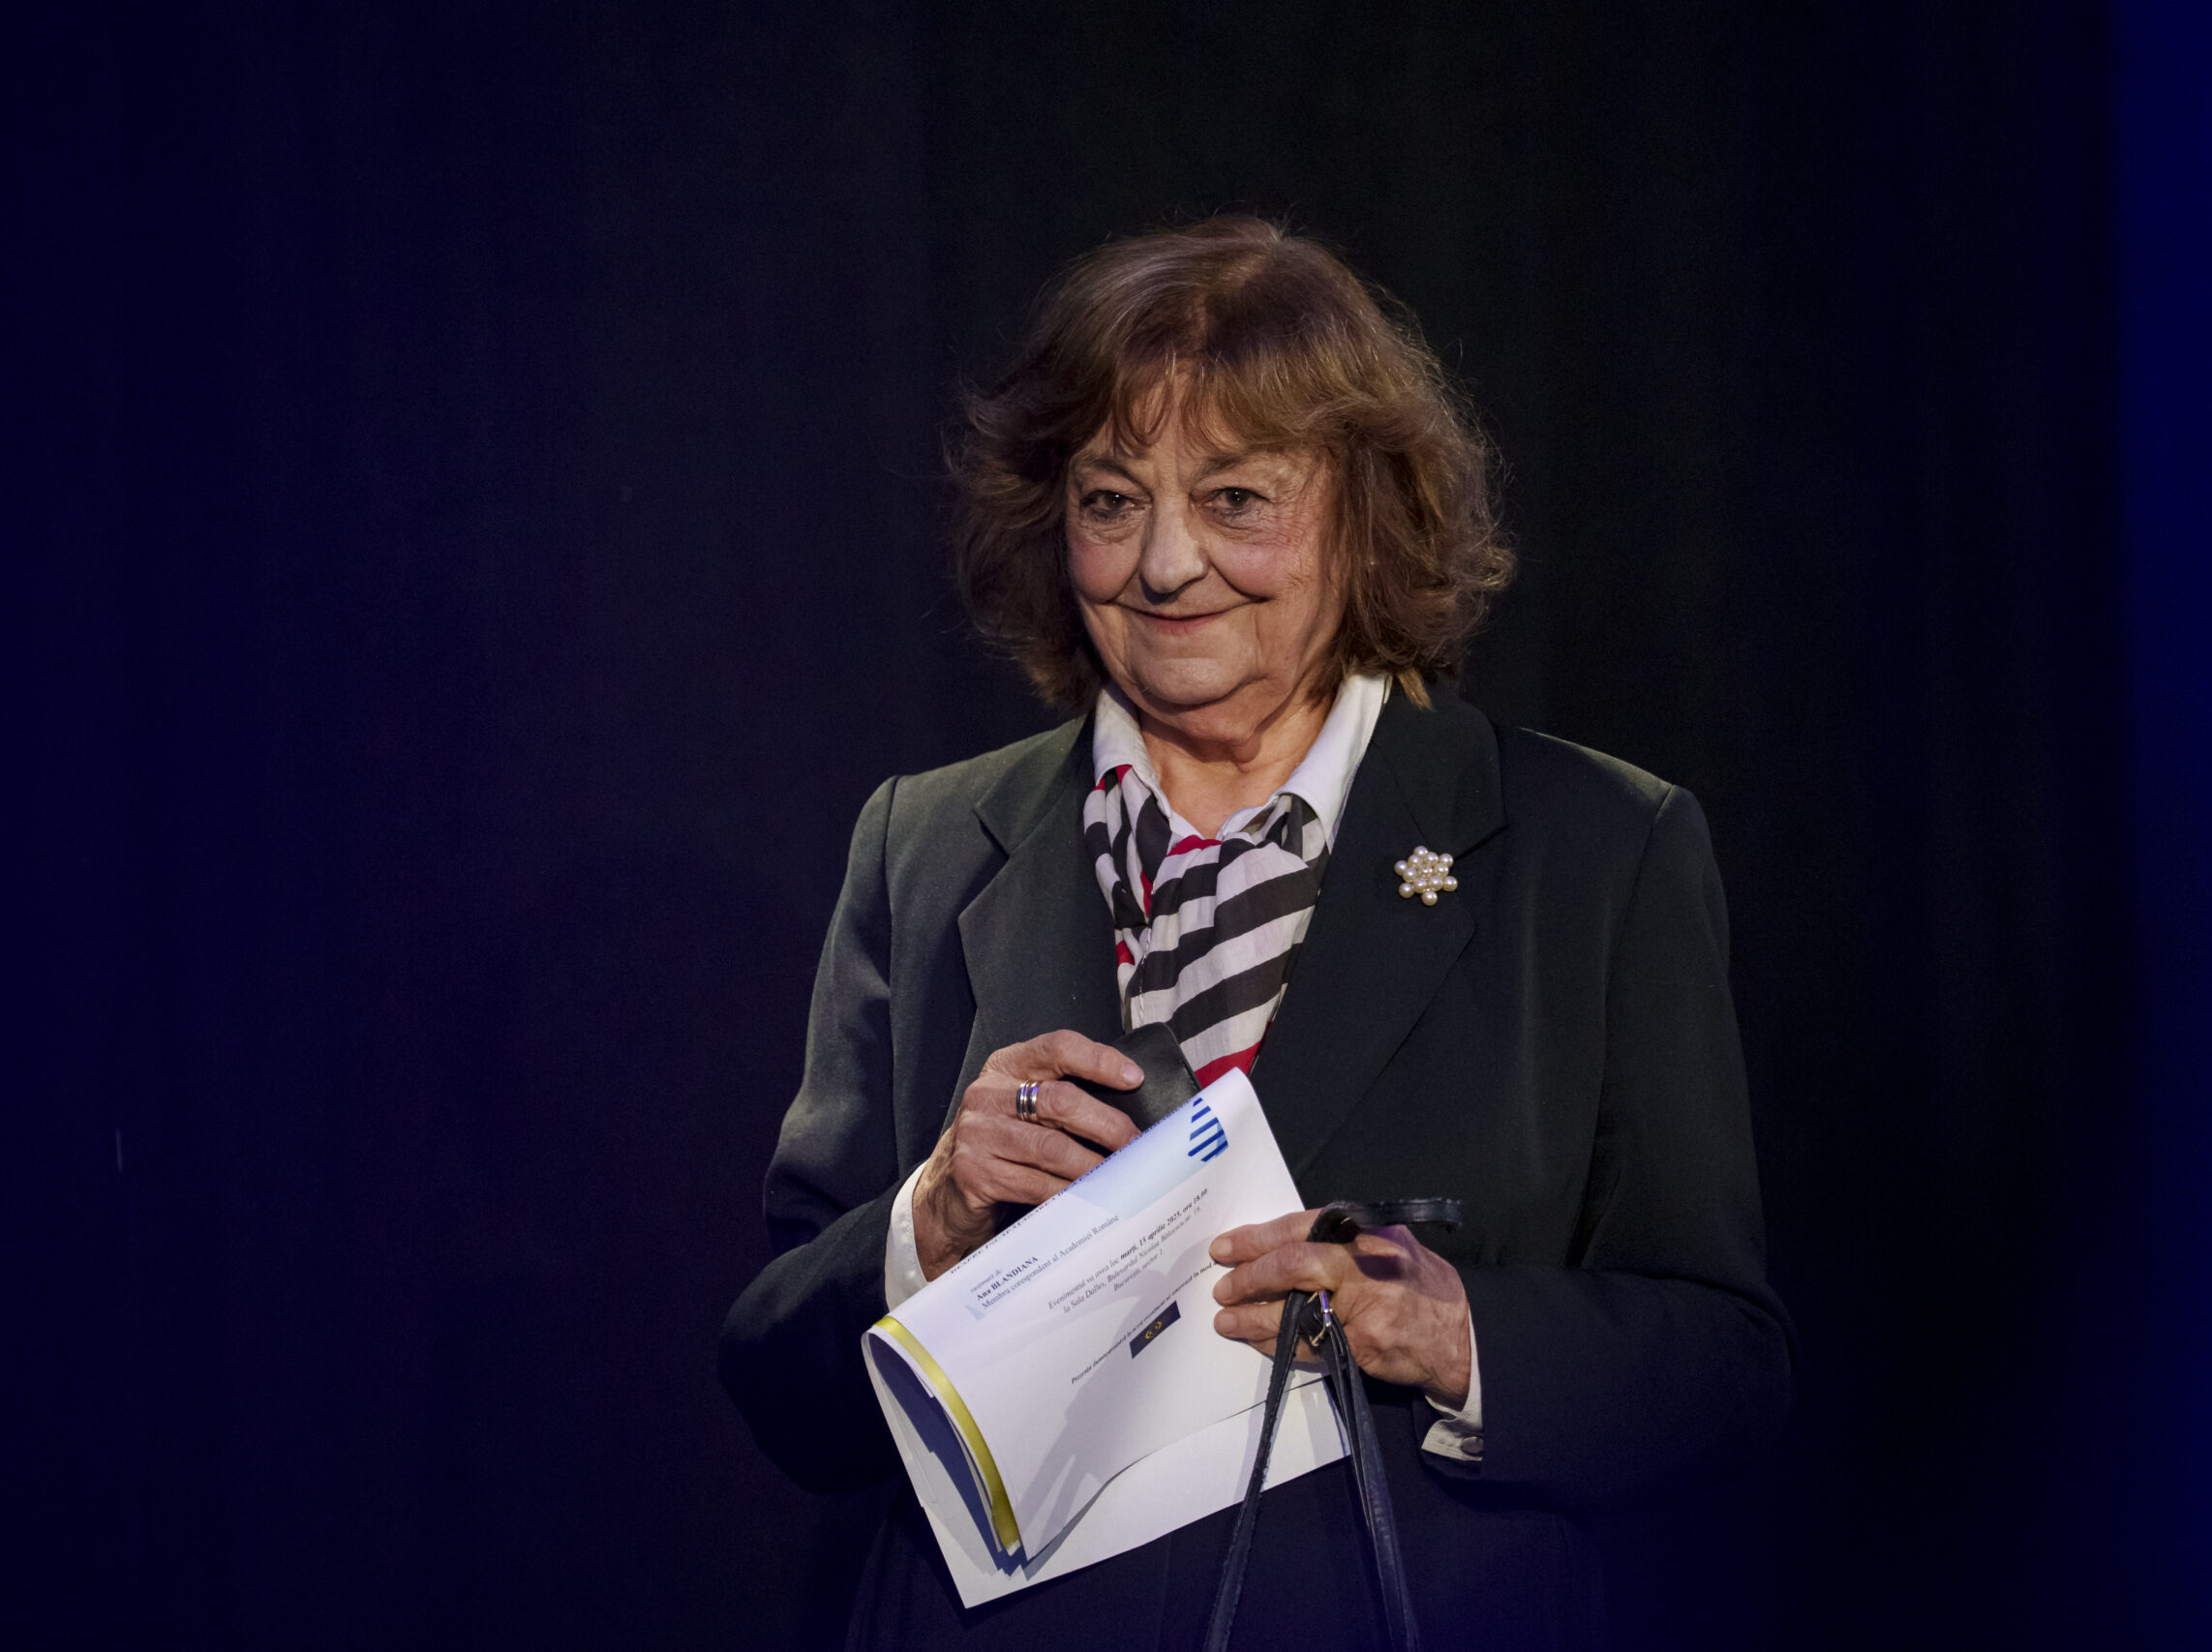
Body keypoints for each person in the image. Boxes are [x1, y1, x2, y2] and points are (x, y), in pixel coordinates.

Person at [719, 216, 1793, 1650]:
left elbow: (1726, 1371)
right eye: (1111, 502)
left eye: (1236, 499)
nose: (1166, 565)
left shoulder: (1596, 850)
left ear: (1366, 509)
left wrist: (1462, 1336)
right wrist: (932, 1224)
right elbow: (778, 1383)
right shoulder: (927, 844)